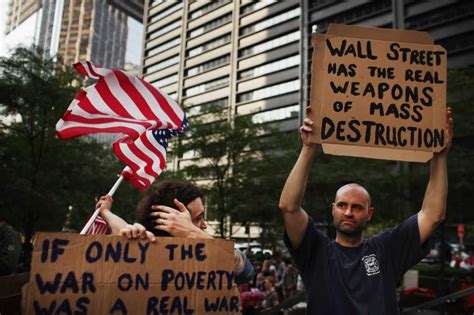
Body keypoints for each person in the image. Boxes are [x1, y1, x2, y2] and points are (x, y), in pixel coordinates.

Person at [278, 106, 453, 314]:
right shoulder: (315, 250)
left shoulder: (386, 250)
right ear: (333, 210)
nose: (349, 212)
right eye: (342, 205)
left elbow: (432, 215)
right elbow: (288, 207)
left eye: (357, 207)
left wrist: (440, 157)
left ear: (369, 214)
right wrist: (308, 149)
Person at [96, 179, 254, 285]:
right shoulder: (141, 245)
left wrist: (192, 233)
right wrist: (108, 215)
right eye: (198, 218)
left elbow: (245, 272)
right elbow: (121, 228)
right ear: (170, 221)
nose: (204, 226)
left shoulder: (204, 253)